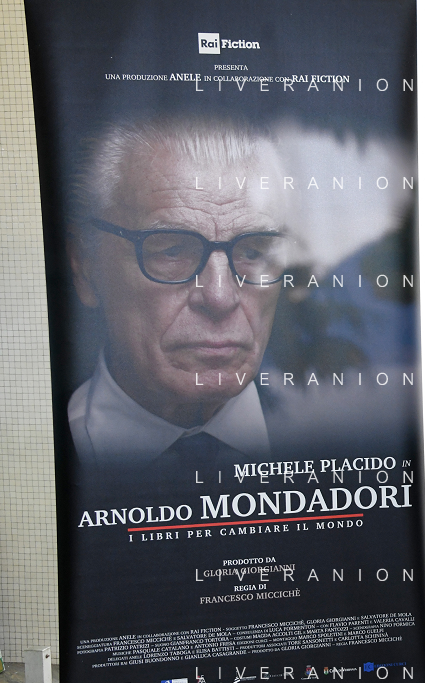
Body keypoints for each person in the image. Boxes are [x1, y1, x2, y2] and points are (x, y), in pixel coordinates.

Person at [67, 117, 288, 476]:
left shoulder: (352, 437)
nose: (220, 297)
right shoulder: (29, 457)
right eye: (172, 251)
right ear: (86, 267)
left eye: (252, 252)